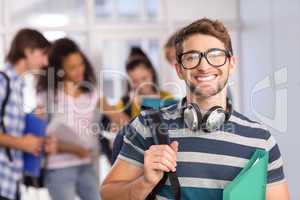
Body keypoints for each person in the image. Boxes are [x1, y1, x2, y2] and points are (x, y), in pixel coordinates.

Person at [100, 18, 289, 200]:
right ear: (179, 69)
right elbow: (107, 194)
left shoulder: (261, 139)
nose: (204, 66)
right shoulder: (147, 125)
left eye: (215, 55)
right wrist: (145, 182)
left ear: (231, 64)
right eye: (192, 57)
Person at [36, 38, 128, 200]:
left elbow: (119, 117)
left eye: (81, 64)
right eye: (72, 67)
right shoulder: (48, 96)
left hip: (86, 164)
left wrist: (134, 126)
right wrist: (74, 149)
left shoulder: (92, 93)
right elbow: (40, 134)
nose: (79, 70)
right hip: (59, 168)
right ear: (60, 70)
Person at [0, 28, 56, 200]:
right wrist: (21, 143)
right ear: (28, 51)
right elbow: (16, 140)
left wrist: (38, 141)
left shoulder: (18, 86)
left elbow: (9, 130)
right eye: (43, 54)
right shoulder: (3, 81)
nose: (45, 62)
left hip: (11, 183)